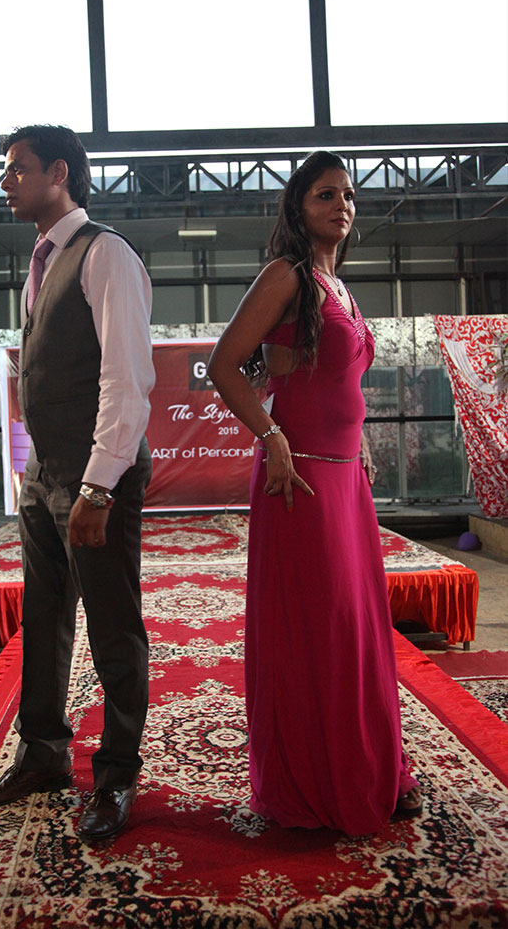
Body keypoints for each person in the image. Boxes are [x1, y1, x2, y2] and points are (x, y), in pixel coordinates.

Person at [208, 151, 422, 836]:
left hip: (344, 478)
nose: (342, 206)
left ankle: (372, 767)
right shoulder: (286, 276)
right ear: (298, 207)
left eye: (348, 195)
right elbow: (222, 365)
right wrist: (270, 436)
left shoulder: (339, 285)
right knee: (319, 630)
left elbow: (337, 385)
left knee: (359, 629)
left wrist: (359, 452)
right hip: (296, 477)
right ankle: (318, 780)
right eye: (326, 194)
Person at [0, 124, 155, 842]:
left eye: (18, 169)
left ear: (60, 173)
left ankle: (116, 775)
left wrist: (98, 488)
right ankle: (42, 755)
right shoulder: (41, 260)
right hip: (44, 474)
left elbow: (127, 380)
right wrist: (36, 474)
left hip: (94, 476)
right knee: (42, 619)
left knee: (112, 624)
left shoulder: (105, 253)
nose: (5, 182)